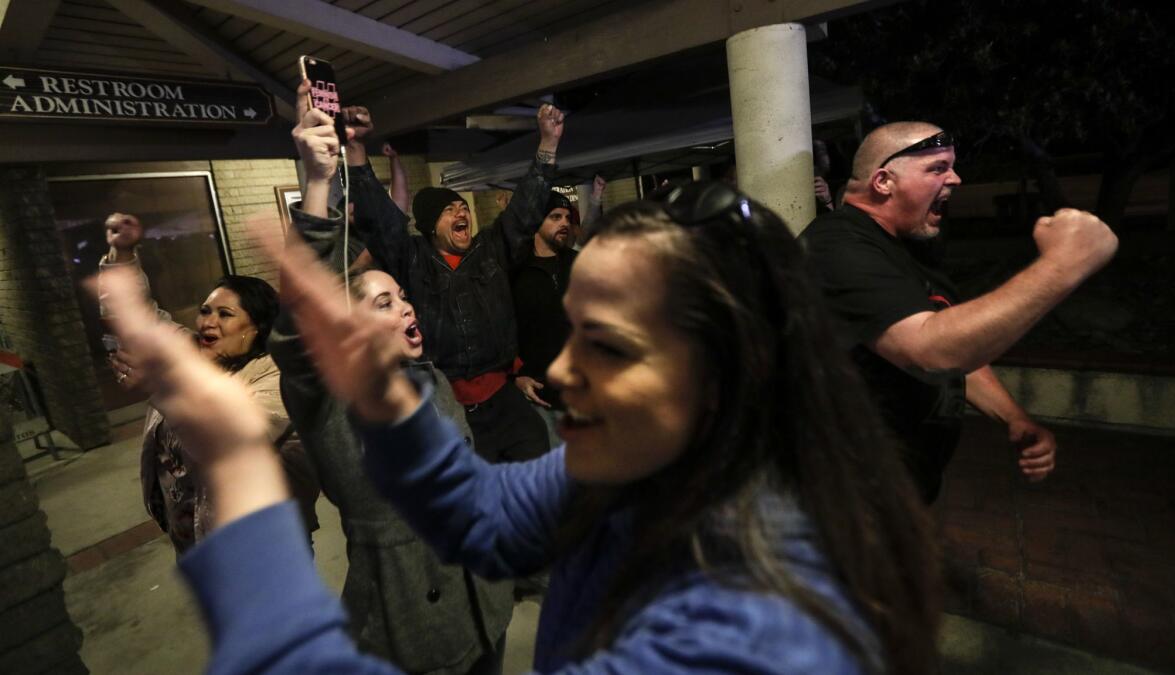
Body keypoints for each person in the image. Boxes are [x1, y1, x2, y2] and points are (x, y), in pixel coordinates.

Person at [104, 180, 944, 674]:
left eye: (609, 346)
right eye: (572, 330)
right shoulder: (637, 463)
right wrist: (388, 399)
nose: (563, 370)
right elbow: (477, 511)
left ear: (736, 373)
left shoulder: (755, 618)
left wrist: (243, 489)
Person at [272, 95, 513, 672]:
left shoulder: (431, 379)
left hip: (484, 603)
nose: (407, 308)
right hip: (412, 623)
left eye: (403, 297)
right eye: (385, 302)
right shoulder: (335, 399)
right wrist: (317, 179)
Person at [802, 122, 1119, 503]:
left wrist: (1012, 416)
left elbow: (952, 336)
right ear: (884, 181)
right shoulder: (835, 244)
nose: (955, 178)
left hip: (900, 488)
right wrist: (1063, 266)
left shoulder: (912, 247)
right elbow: (931, 349)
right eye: (937, 168)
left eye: (951, 166)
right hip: (845, 494)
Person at [306, 86, 559, 464]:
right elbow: (380, 218)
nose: (462, 213)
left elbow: (526, 209)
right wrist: (356, 149)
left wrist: (548, 145)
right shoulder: (411, 258)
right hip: (447, 404)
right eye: (449, 210)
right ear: (428, 226)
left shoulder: (490, 249)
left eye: (463, 207)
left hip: (503, 398)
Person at [98, 213, 319, 555]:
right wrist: (122, 253)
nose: (207, 322)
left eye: (225, 314)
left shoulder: (278, 377)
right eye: (205, 310)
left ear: (257, 327)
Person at [511, 190, 576, 442]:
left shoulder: (579, 263)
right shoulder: (513, 272)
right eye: (555, 217)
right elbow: (502, 328)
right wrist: (515, 376)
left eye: (567, 218)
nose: (564, 223)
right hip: (540, 393)